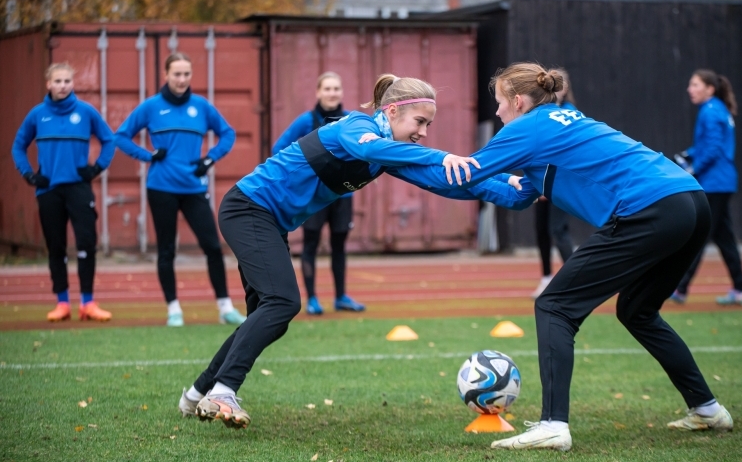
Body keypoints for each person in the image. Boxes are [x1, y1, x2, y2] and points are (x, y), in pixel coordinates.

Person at [395, 63, 732, 451]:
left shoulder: (526, 128)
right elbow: (518, 195)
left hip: (650, 208)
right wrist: (512, 183)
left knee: (554, 306)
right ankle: (707, 408)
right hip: (690, 200)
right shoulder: (565, 119)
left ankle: (554, 424)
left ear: (518, 101)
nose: (498, 113)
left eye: (500, 104)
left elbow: (459, 176)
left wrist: (392, 159)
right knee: (637, 310)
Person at [176, 74, 529, 428]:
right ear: (391, 111)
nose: (423, 132)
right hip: (247, 209)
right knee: (281, 304)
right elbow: (368, 148)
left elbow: (448, 182)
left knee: (267, 317)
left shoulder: (388, 154)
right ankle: (223, 391)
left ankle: (197, 394)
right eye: (420, 121)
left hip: (268, 220)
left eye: (428, 124)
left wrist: (511, 186)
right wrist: (444, 155)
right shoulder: (355, 127)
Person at [114, 52, 245, 327]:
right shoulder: (151, 107)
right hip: (161, 188)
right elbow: (121, 136)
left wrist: (209, 159)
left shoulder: (202, 106)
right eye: (176, 74)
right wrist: (148, 156)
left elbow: (228, 133)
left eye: (186, 74)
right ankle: (174, 309)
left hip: (194, 188)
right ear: (166, 75)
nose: (182, 79)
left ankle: (225, 308)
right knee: (166, 250)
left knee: (212, 246)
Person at [11, 62, 115, 322]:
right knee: (55, 247)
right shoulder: (37, 114)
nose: (62, 86)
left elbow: (109, 140)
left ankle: (88, 303)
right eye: (57, 81)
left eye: (67, 81)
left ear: (72, 84)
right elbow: (18, 147)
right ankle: (62, 303)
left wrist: (96, 168)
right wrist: (29, 174)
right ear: (49, 84)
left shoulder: (86, 112)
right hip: (49, 191)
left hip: (79, 189)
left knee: (86, 245)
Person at [271, 72, 364, 315]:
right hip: (314, 198)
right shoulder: (305, 121)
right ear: (318, 92)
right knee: (310, 245)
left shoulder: (351, 121)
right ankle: (312, 299)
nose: (332, 93)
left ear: (342, 93)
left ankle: (341, 297)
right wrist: (299, 176)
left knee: (339, 246)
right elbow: (279, 148)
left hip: (342, 197)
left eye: (336, 89)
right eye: (327, 89)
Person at [669, 70, 742, 306]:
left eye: (694, 85)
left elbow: (713, 149)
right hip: (721, 182)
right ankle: (741, 289)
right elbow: (706, 146)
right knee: (724, 238)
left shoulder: (710, 111)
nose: (689, 89)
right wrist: (689, 154)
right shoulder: (715, 109)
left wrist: (693, 168)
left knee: (698, 236)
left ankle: (681, 288)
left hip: (715, 183)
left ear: (709, 89)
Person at [531, 67, 575, 299]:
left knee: (558, 230)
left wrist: (548, 185)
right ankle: (546, 278)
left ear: (564, 88)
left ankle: (577, 280)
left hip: (560, 184)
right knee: (541, 230)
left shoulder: (570, 114)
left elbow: (561, 153)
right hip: (542, 183)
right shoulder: (540, 114)